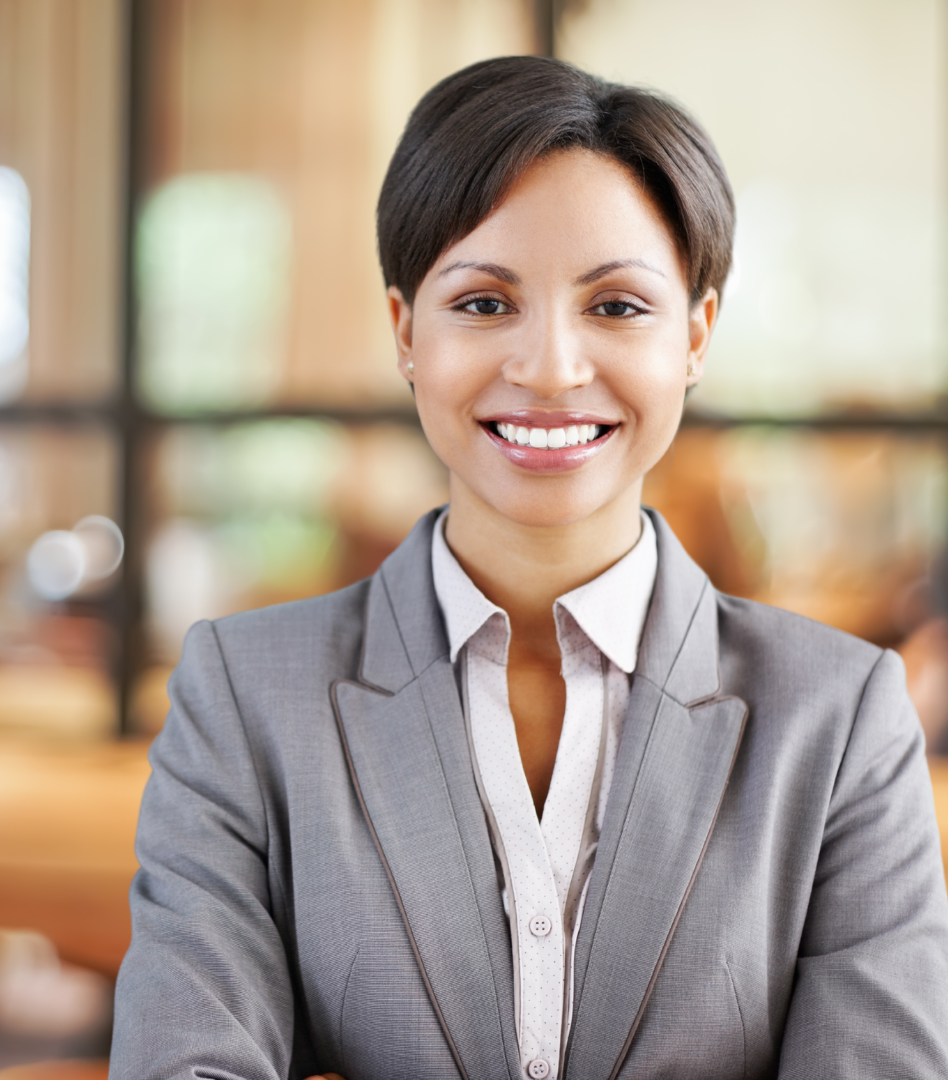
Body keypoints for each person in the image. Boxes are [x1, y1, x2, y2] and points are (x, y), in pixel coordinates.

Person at [109, 57, 948, 1080]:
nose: (551, 369)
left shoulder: (841, 716)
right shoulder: (245, 699)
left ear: (696, 336)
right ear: (404, 332)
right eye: (484, 303)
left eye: (619, 308)